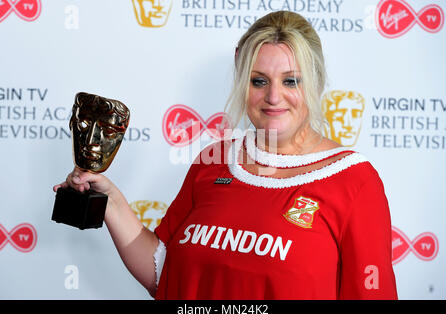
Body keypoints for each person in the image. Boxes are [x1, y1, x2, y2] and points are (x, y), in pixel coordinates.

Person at [53, 11, 397, 299]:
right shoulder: (215, 161)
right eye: (258, 81)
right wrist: (110, 201)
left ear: (316, 82)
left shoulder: (354, 181)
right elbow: (164, 272)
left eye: (291, 81)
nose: (273, 97)